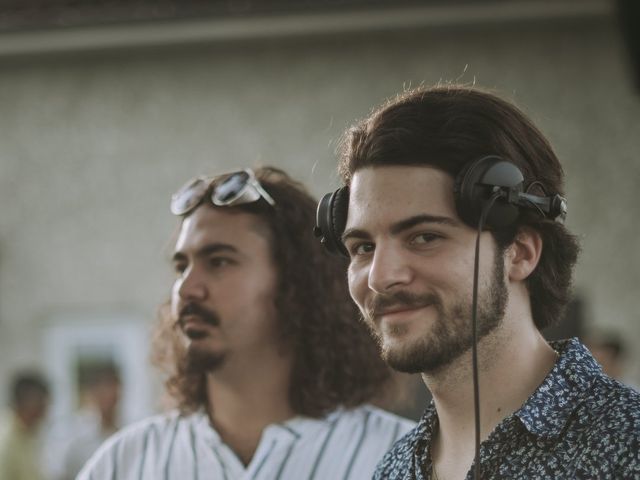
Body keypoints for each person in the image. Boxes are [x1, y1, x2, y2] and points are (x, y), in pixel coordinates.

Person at [321, 85, 640, 478]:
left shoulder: (628, 445)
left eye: (424, 237)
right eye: (363, 247)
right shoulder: (393, 469)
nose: (381, 277)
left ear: (520, 253)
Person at [78, 166, 414, 479]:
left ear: (296, 284)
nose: (187, 288)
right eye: (182, 267)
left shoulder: (403, 457)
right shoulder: (124, 464)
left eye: (219, 262)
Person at [0, 370, 50, 480]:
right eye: (43, 404)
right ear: (29, 402)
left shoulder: (29, 434)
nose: (45, 412)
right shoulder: (6, 438)